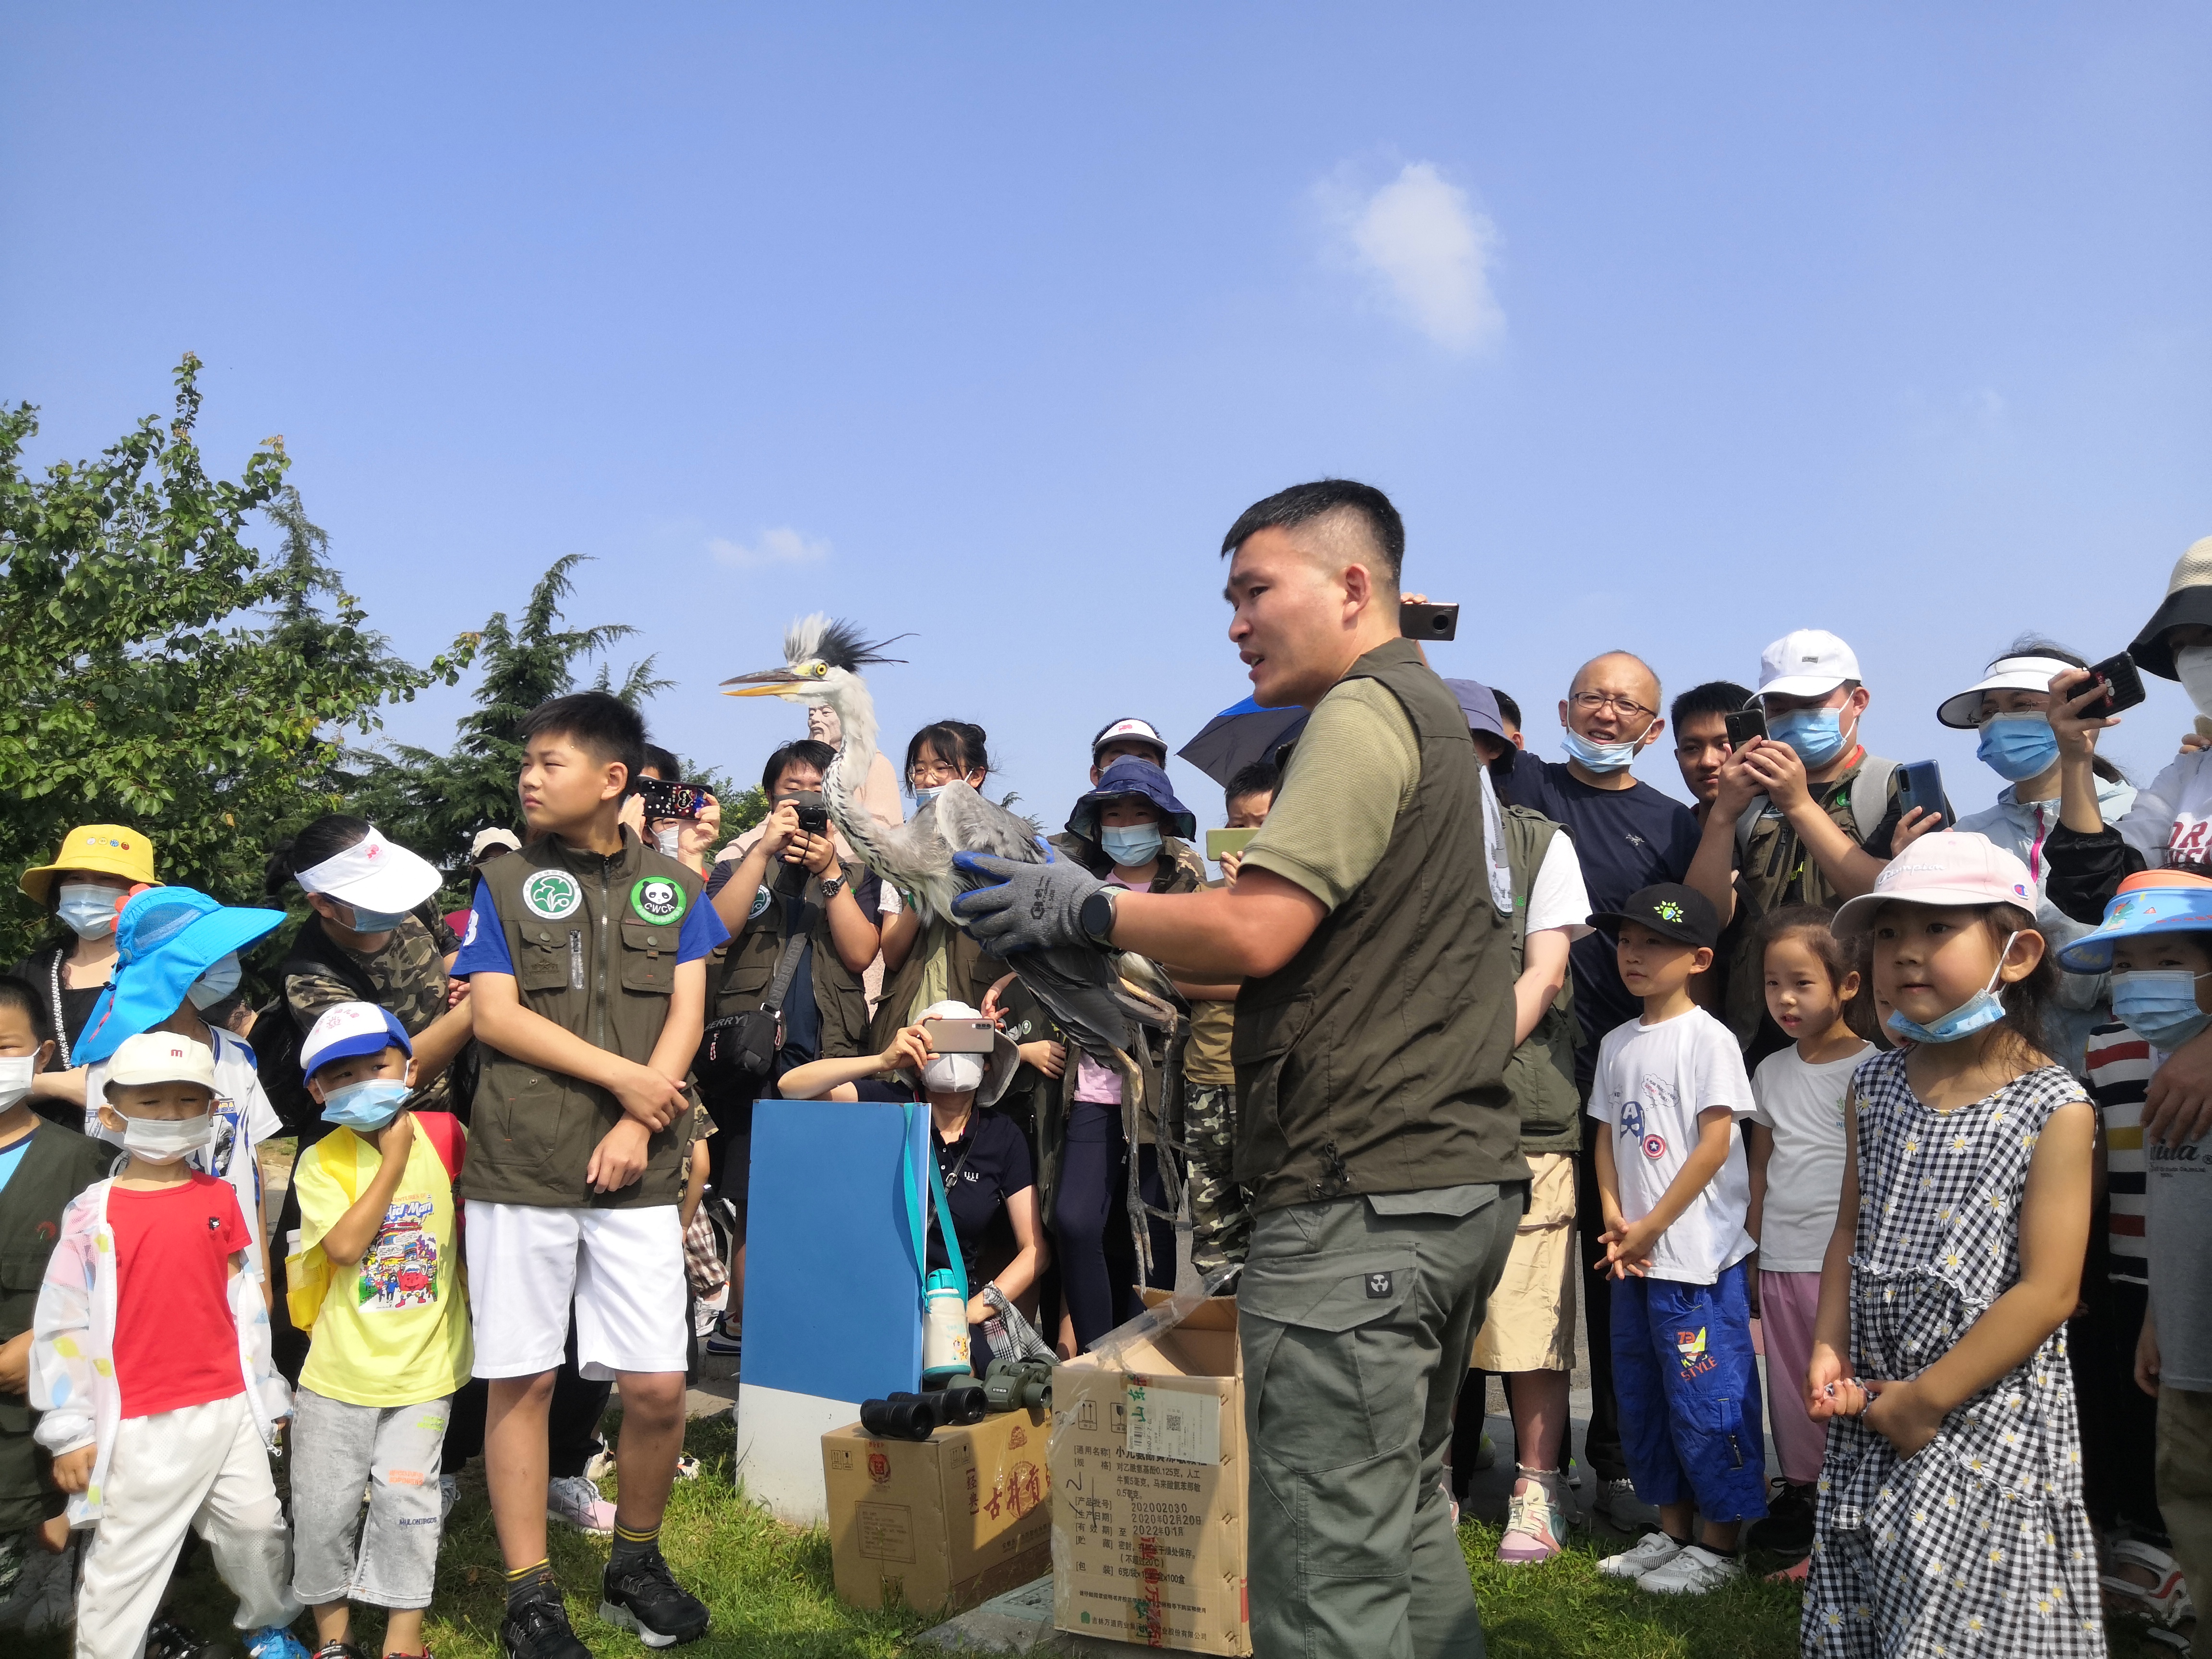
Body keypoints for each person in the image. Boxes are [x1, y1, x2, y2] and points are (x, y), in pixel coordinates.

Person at [954, 478, 1525, 1658]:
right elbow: (1313, 961)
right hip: (1445, 1184)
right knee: (1398, 1528)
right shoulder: (1436, 728)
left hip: (1361, 1196)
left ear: (1352, 586)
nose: (1235, 624)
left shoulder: (1364, 713)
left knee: (1325, 1576)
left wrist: (1087, 907)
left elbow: (1258, 929)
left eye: (1255, 591)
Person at [447, 690, 726, 1659]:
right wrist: (626, 1083)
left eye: (549, 762)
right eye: (525, 762)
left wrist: (639, 1121)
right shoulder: (504, 882)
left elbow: (687, 1015)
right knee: (521, 1379)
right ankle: (529, 1596)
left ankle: (634, 1567)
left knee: (657, 1387)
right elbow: (495, 1017)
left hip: (638, 1172)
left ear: (613, 780)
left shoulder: (676, 890)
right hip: (523, 1164)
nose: (528, 777)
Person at [1803, 832, 2101, 1655]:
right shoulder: (1872, 1083)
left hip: (1982, 1418)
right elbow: (1849, 1228)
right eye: (1889, 932)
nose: (1906, 952)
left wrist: (1926, 1399)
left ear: (2017, 954)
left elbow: (2048, 1290)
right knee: (1879, 1596)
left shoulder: (2053, 1106)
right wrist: (1828, 1343)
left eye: (1938, 929)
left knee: (1968, 1617)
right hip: (1877, 1403)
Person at [1493, 649, 1710, 1529]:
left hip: (1630, 1080)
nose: (1606, 713)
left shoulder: (1672, 824)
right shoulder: (1527, 785)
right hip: (1534, 1077)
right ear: (1562, 710)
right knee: (1525, 1272)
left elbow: (1701, 927)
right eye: (1592, 697)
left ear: (1651, 730)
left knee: (1624, 1267)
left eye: (1627, 705)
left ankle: (1621, 1462)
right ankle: (1505, 1465)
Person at [31, 1032, 304, 1659]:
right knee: (127, 1556)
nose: (172, 1115)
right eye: (151, 1102)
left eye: (188, 1101)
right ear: (111, 1115)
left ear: (212, 1110)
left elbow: (242, 1303)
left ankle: (268, 1624)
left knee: (257, 1528)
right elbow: (63, 1322)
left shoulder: (220, 1197)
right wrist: (70, 1428)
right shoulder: (92, 1214)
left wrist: (265, 1389)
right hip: (140, 1422)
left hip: (228, 1405)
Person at [1442, 681, 1594, 1566]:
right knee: (1426, 1312)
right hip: (1411, 1115)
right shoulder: (1383, 838)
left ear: (1495, 752)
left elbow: (1544, 972)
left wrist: (1466, 1055)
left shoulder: (1539, 842)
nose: (1453, 756)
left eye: (1471, 742)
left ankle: (1537, 1489)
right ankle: (1431, 1478)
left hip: (1518, 1111)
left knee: (1531, 1312)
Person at [1582, 884, 1767, 1594]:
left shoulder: (1708, 1039)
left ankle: (1719, 1545)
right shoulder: (1616, 1043)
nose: (1634, 955)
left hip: (1695, 1263)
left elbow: (1715, 1145)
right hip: (1634, 1259)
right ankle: (1673, 1531)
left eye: (1654, 944)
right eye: (1627, 941)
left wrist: (1653, 1226)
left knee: (1708, 1397)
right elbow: (1605, 1137)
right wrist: (1613, 1214)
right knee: (1645, 1396)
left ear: (1698, 959)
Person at [288, 1003, 471, 1659]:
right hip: (338, 1376)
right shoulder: (321, 1161)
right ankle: (334, 1639)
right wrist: (392, 1162)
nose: (363, 1082)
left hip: (425, 1371)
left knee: (408, 1504)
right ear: (318, 1091)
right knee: (321, 1510)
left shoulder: (446, 1136)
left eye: (377, 1065)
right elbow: (343, 1248)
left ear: (410, 1068)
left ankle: (404, 1639)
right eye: (341, 1075)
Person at [2056, 870, 2212, 1636]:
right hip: (2141, 1278)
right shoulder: (2107, 1049)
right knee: (2157, 1449)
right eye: (2125, 965)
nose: (2143, 980)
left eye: (2168, 961)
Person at [700, 737, 884, 1357]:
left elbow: (860, 953)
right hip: (753, 1058)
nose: (804, 800)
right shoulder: (740, 858)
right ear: (769, 797)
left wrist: (831, 873)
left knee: (825, 1195)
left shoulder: (857, 867)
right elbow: (716, 931)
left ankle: (811, 1333)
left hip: (828, 1052)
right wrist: (762, 852)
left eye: (817, 790)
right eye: (791, 789)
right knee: (754, 1199)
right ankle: (747, 1334)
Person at [1690, 630, 1941, 1066]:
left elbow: (1883, 901)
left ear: (1857, 701)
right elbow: (1703, 918)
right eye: (1778, 707)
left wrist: (1799, 804)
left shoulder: (1893, 789)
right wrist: (1724, 815)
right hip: (1761, 1038)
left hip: (1869, 1035)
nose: (1793, 718)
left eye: (1811, 704)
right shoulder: (1748, 800)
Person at [2047, 538, 2212, 1163]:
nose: (2196, 659)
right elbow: (2102, 892)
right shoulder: (2189, 775)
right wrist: (2075, 758)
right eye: (2183, 645)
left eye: (2210, 636)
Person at [1041, 756, 1202, 1351]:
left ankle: (1142, 1357)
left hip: (1161, 1086)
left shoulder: (1188, 889)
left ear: (1163, 823)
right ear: (1097, 823)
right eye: (1115, 813)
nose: (1127, 824)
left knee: (1152, 1229)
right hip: (1093, 1081)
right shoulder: (1080, 889)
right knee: (1076, 1220)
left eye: (1140, 813)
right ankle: (1097, 1354)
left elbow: (1196, 977)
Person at [778, 1006, 1044, 1363]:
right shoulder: (888, 1104)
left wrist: (975, 1309)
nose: (954, 1055)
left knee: (971, 1380)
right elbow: (792, 1087)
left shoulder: (1002, 1136)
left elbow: (1035, 1250)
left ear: (987, 1063)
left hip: (952, 1303)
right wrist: (882, 1060)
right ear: (917, 1058)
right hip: (876, 1299)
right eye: (940, 1042)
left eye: (968, 1042)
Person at [1739, 905, 1872, 1558]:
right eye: (1773, 984)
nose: (1785, 999)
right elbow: (1759, 1167)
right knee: (1790, 1385)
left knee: (1838, 1380)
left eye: (1802, 983)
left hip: (1843, 1261)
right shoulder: (1769, 1071)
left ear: (1847, 985)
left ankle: (1851, 1495)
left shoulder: (1873, 1069)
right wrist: (1753, 1249)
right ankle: (1801, 1492)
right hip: (1781, 1257)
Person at [73, 887, 289, 1285]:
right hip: (154, 1268)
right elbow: (106, 1167)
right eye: (218, 954)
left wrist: (259, 1269)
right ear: (179, 970)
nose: (232, 963)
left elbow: (250, 1161)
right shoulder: (115, 1066)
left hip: (238, 1265)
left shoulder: (237, 1052)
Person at [1939, 642, 2137, 1075]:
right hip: (2000, 1077)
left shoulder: (2140, 815)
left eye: (2022, 705)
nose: (1999, 722)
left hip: (2127, 1068)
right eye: (1988, 711)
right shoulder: (1966, 837)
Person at [0, 976, 108, 1623]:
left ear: (40, 1056)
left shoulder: (85, 1165)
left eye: (3, 1046)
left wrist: (40, 1343)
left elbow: (117, 1288)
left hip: (37, 1434)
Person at [267, 816, 475, 1131]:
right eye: (374, 897)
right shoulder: (313, 982)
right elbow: (380, 1078)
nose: (394, 903)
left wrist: (462, 980)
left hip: (455, 1108)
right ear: (323, 903)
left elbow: (445, 943)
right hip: (386, 1132)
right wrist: (475, 1009)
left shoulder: (412, 902)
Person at [1179, 759, 1276, 1282]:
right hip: (1207, 1078)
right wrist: (1253, 980)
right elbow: (1176, 978)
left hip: (1270, 1081)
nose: (1249, 835)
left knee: (1275, 1225)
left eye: (1263, 823)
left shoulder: (1302, 905)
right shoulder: (1206, 897)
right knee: (1214, 1228)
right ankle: (1221, 1323)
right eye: (1238, 825)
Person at [11, 824, 157, 1125]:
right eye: (75, 878)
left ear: (139, 893)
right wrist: (57, 1085)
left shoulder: (167, 970)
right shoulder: (29, 974)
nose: (88, 889)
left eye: (106, 879)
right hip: (43, 1145)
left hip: (150, 1141)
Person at [1047, 719, 1207, 887]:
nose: (1130, 767)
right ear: (1096, 774)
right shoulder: (1057, 852)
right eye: (1117, 760)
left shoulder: (1183, 861)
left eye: (1144, 761)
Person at [1670, 682, 1755, 818]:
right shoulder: (1664, 830)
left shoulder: (1790, 818)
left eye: (1723, 745)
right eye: (1692, 748)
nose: (1707, 762)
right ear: (1678, 756)